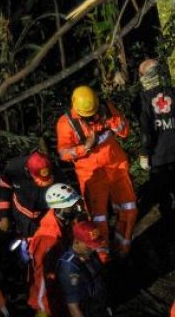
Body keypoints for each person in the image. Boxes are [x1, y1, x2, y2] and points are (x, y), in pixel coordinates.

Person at [56, 86, 137, 258]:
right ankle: (103, 259)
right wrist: (85, 147)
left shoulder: (106, 108)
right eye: (88, 116)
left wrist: (111, 122)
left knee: (129, 209)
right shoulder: (66, 123)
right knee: (98, 221)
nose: (92, 118)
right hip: (91, 175)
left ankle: (123, 249)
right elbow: (63, 153)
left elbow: (124, 130)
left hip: (116, 168)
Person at [27, 182, 84, 317]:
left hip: (61, 293)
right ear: (59, 209)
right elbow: (40, 277)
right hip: (48, 301)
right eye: (72, 206)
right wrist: (43, 308)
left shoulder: (62, 227)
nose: (76, 208)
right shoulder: (47, 238)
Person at [136, 58, 175, 222]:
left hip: (158, 154)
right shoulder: (174, 91)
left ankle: (169, 223)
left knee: (162, 191)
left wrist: (144, 153)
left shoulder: (143, 98)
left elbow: (146, 131)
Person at [0, 149, 54, 238]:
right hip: (20, 215)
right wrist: (4, 216)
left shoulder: (52, 168)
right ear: (28, 170)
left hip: (44, 216)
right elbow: (4, 190)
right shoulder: (13, 169)